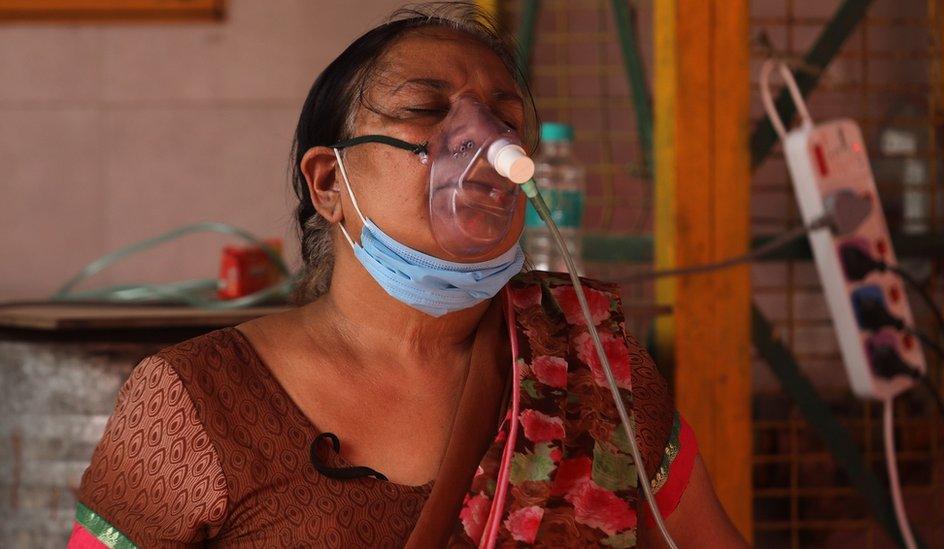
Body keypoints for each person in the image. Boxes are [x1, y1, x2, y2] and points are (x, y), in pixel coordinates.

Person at [69, 4, 746, 548]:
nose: (483, 140)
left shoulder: (589, 362)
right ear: (330, 182)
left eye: (505, 119)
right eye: (426, 110)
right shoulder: (198, 398)